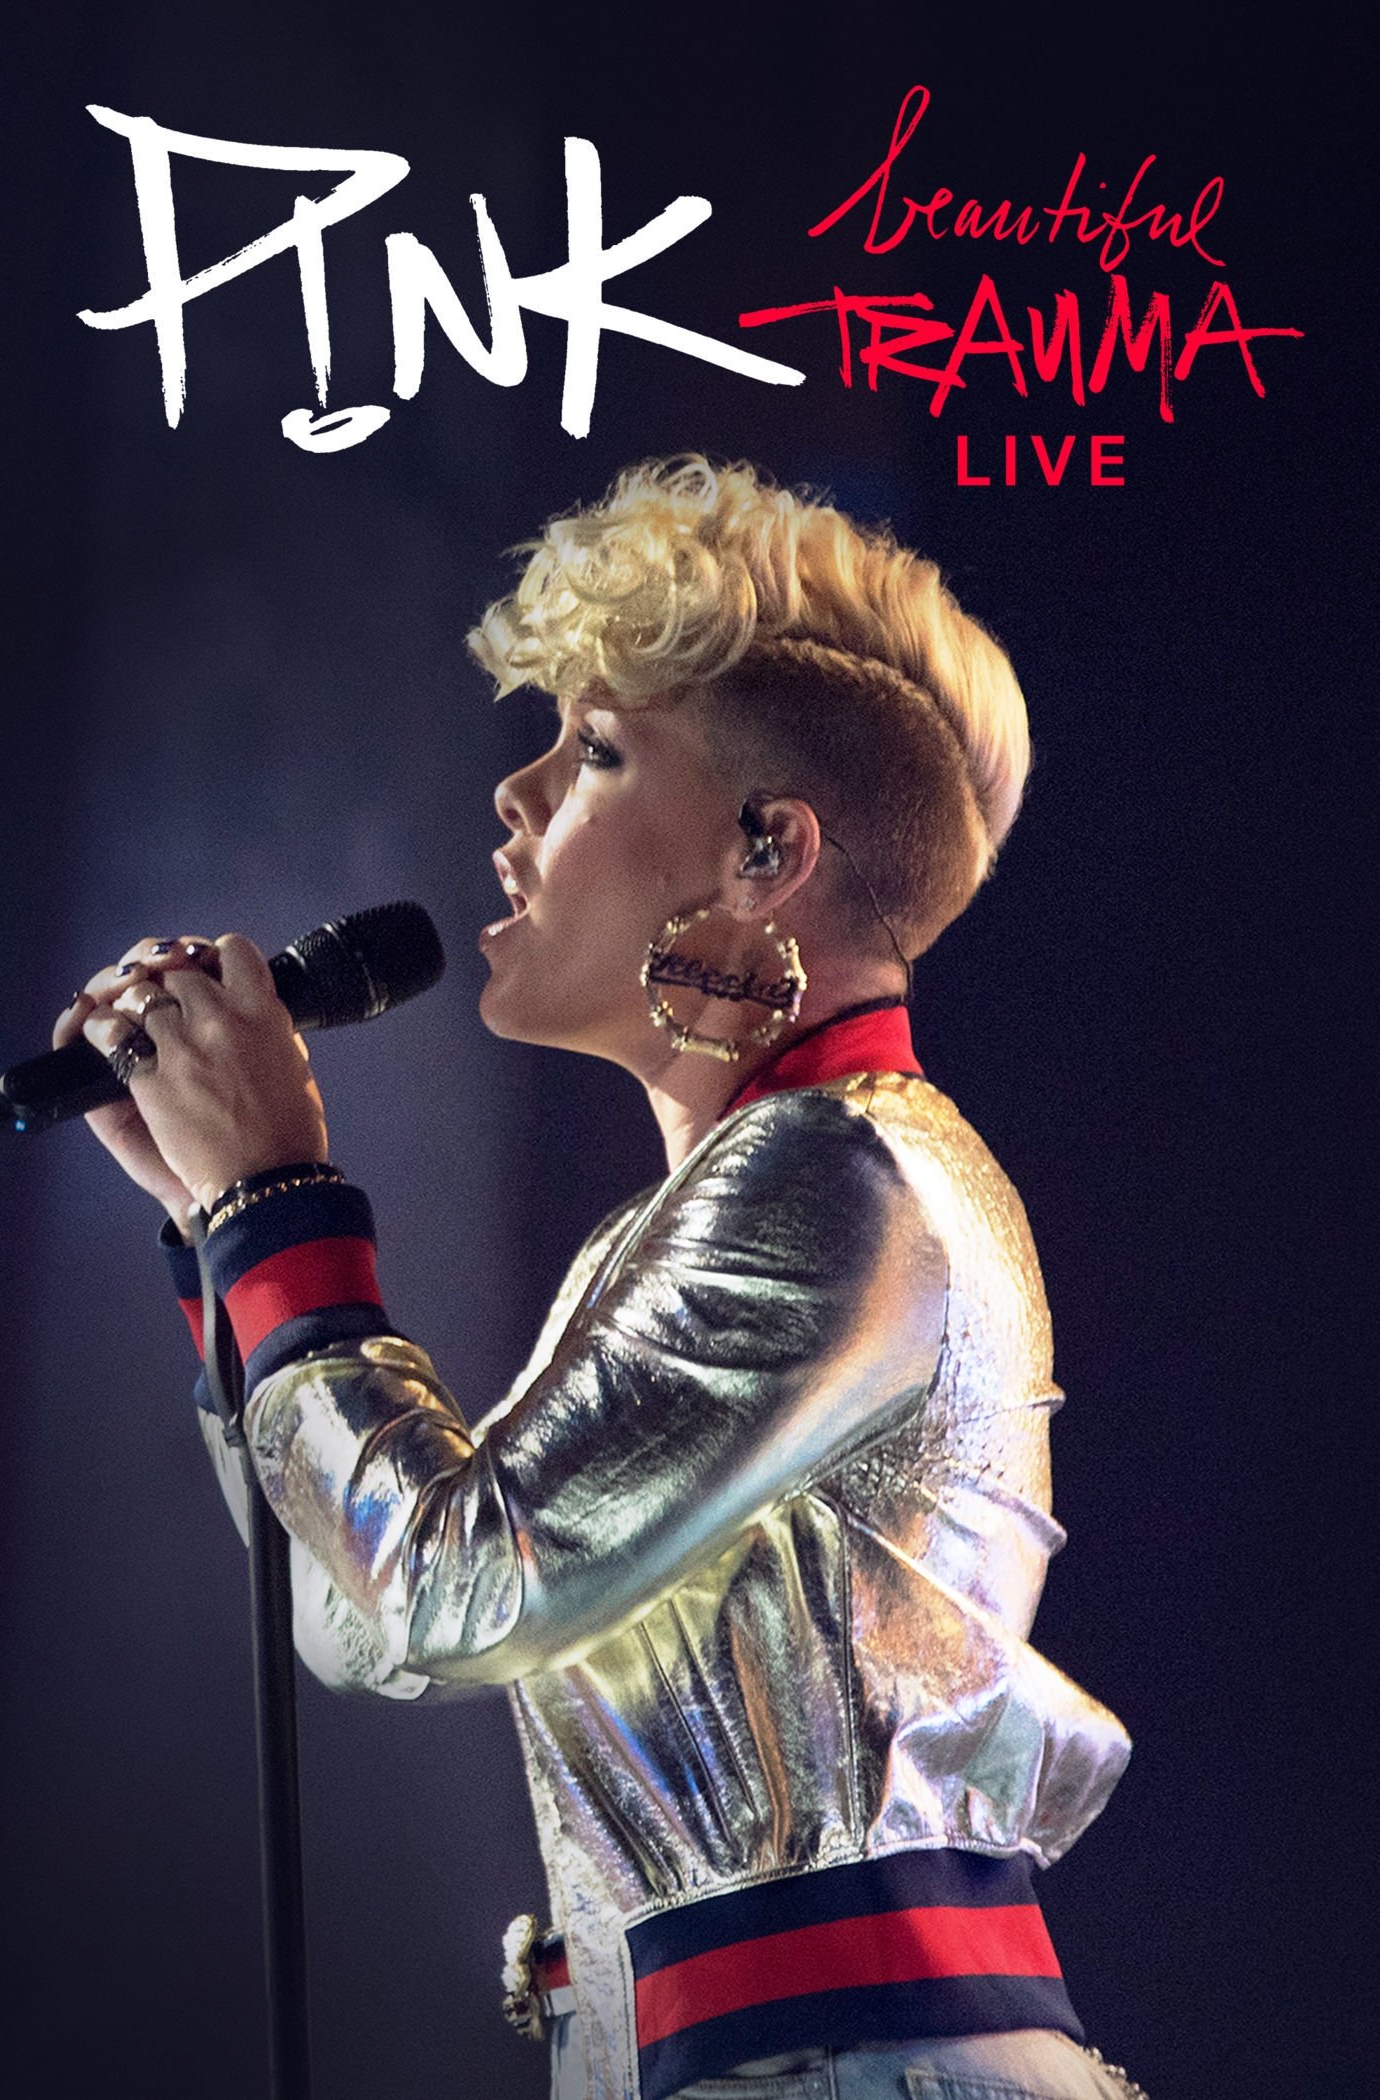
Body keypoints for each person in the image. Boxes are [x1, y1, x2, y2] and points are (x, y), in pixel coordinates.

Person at [57, 459, 1143, 2100]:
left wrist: (276, 1206)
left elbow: (449, 1588)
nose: (518, 795)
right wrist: (221, 1240)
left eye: (597, 751)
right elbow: (372, 1626)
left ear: (767, 848)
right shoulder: (729, 1207)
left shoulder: (832, 1179)